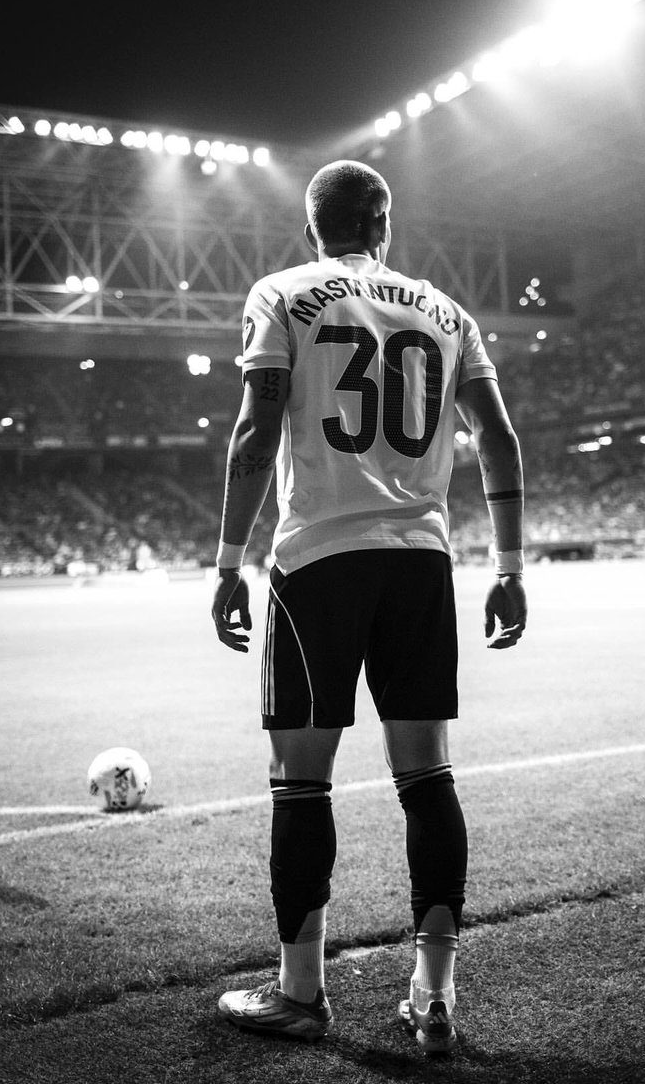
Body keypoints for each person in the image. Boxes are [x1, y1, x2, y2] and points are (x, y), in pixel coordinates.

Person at [211, 160, 526, 1055]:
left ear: (312, 228)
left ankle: (300, 993)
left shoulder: (281, 293)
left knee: (300, 779)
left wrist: (229, 561)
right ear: (385, 224)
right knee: (427, 777)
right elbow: (498, 438)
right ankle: (434, 997)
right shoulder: (447, 312)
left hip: (317, 560)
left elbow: (256, 427)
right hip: (421, 562)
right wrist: (508, 566)